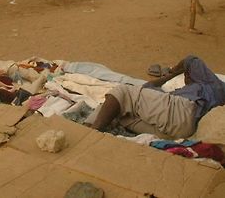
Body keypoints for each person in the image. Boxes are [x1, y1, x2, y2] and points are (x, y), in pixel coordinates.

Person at [86, 55, 225, 139]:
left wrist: (174, 72)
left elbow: (190, 60)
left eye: (187, 74)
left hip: (182, 112)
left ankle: (89, 136)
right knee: (117, 112)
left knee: (123, 92)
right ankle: (85, 127)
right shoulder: (184, 92)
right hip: (181, 131)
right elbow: (146, 88)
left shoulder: (210, 83)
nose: (186, 77)